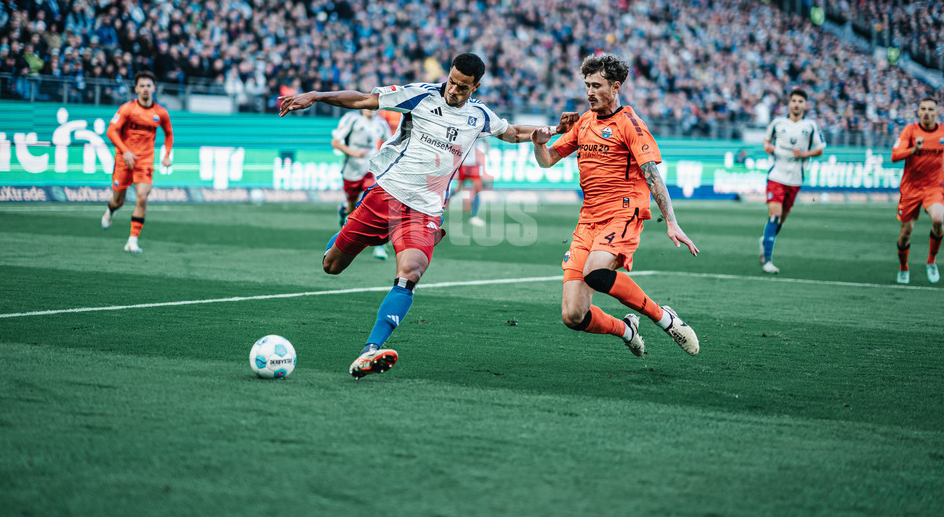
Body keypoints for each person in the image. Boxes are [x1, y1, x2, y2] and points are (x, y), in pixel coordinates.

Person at [278, 53, 576, 379]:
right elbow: (365, 98)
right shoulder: (419, 94)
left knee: (411, 272)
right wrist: (316, 96)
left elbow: (513, 131)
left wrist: (553, 129)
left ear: (475, 87)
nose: (453, 91)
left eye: (463, 88)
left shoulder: (479, 116)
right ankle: (346, 225)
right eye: (451, 82)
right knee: (331, 266)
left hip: (425, 212)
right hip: (385, 196)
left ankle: (370, 351)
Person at [531, 53, 701, 358]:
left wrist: (671, 220)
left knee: (596, 272)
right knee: (573, 316)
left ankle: (665, 318)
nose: (590, 92)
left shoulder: (630, 125)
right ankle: (627, 330)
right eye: (587, 85)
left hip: (623, 212)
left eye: (597, 85)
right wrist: (539, 142)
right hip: (588, 220)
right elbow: (547, 161)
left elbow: (653, 175)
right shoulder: (584, 122)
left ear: (616, 86)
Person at [890, 97, 944, 284]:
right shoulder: (910, 131)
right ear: (918, 112)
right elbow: (894, 156)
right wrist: (912, 150)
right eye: (923, 108)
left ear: (936, 112)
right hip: (911, 189)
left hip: (934, 187)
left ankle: (931, 260)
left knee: (938, 220)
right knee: (905, 234)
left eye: (930, 109)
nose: (926, 112)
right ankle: (903, 267)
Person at [101, 70, 173, 253]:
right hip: (124, 161)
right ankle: (110, 211)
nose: (145, 89)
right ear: (136, 89)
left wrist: (166, 154)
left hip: (145, 162)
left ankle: (132, 241)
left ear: (154, 88)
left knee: (142, 198)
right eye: (142, 86)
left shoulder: (161, 113)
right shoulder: (127, 109)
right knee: (118, 201)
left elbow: (169, 134)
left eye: (148, 85)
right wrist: (125, 151)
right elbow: (110, 131)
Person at [759, 89, 826, 274]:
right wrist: (768, 147)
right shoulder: (778, 123)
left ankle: (765, 240)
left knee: (780, 220)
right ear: (789, 103)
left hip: (795, 179)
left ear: (805, 105)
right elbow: (766, 141)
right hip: (776, 176)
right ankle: (767, 260)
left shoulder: (811, 125)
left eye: (800, 101)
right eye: (794, 100)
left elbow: (820, 149)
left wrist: (806, 153)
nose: (797, 104)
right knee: (774, 215)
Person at [332, 108, 394, 260]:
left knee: (374, 203)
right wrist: (353, 153)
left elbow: (391, 143)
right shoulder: (352, 119)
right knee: (352, 207)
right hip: (351, 168)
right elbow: (335, 142)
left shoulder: (381, 123)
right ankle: (345, 211)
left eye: (374, 108)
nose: (371, 110)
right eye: (368, 107)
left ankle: (379, 246)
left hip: (371, 168)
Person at [450, 136, 491, 227]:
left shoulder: (474, 129)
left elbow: (486, 140)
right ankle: (446, 202)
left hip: (470, 165)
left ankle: (474, 216)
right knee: (461, 189)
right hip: (466, 165)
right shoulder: (469, 130)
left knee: (475, 189)